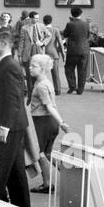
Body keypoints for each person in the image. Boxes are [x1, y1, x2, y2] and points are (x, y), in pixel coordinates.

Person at [0, 29, 31, 207]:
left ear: (4, 44)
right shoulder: (2, 63)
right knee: (16, 172)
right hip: (12, 125)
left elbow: (14, 100)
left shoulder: (9, 66)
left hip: (10, 127)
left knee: (0, 171)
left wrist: (5, 126)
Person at [27, 53, 68, 193]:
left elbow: (49, 106)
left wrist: (62, 122)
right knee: (48, 153)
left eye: (34, 66)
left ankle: (47, 184)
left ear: (43, 68)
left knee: (39, 153)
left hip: (43, 122)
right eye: (30, 65)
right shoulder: (45, 82)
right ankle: (71, 174)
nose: (30, 68)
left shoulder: (41, 86)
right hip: (49, 123)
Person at [62, 6, 91, 95]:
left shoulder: (70, 24)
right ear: (81, 13)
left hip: (73, 50)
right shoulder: (86, 24)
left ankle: (72, 86)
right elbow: (88, 36)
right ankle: (80, 90)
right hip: (84, 50)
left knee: (69, 68)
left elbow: (65, 34)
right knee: (82, 70)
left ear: (71, 14)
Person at [37, 14, 65, 96]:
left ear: (43, 21)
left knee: (42, 73)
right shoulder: (55, 30)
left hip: (42, 53)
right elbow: (60, 43)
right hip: (53, 53)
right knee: (55, 73)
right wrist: (63, 56)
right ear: (51, 21)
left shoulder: (40, 29)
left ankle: (42, 90)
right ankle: (57, 90)